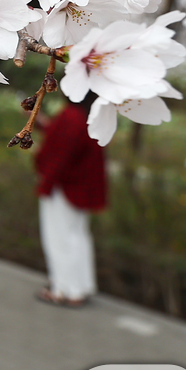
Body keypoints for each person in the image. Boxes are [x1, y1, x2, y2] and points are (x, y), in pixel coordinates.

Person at [33, 96, 106, 307]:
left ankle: (63, 289)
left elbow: (61, 152)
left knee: (60, 238)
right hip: (80, 188)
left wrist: (46, 183)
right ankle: (80, 287)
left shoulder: (71, 116)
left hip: (64, 187)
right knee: (77, 236)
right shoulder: (89, 115)